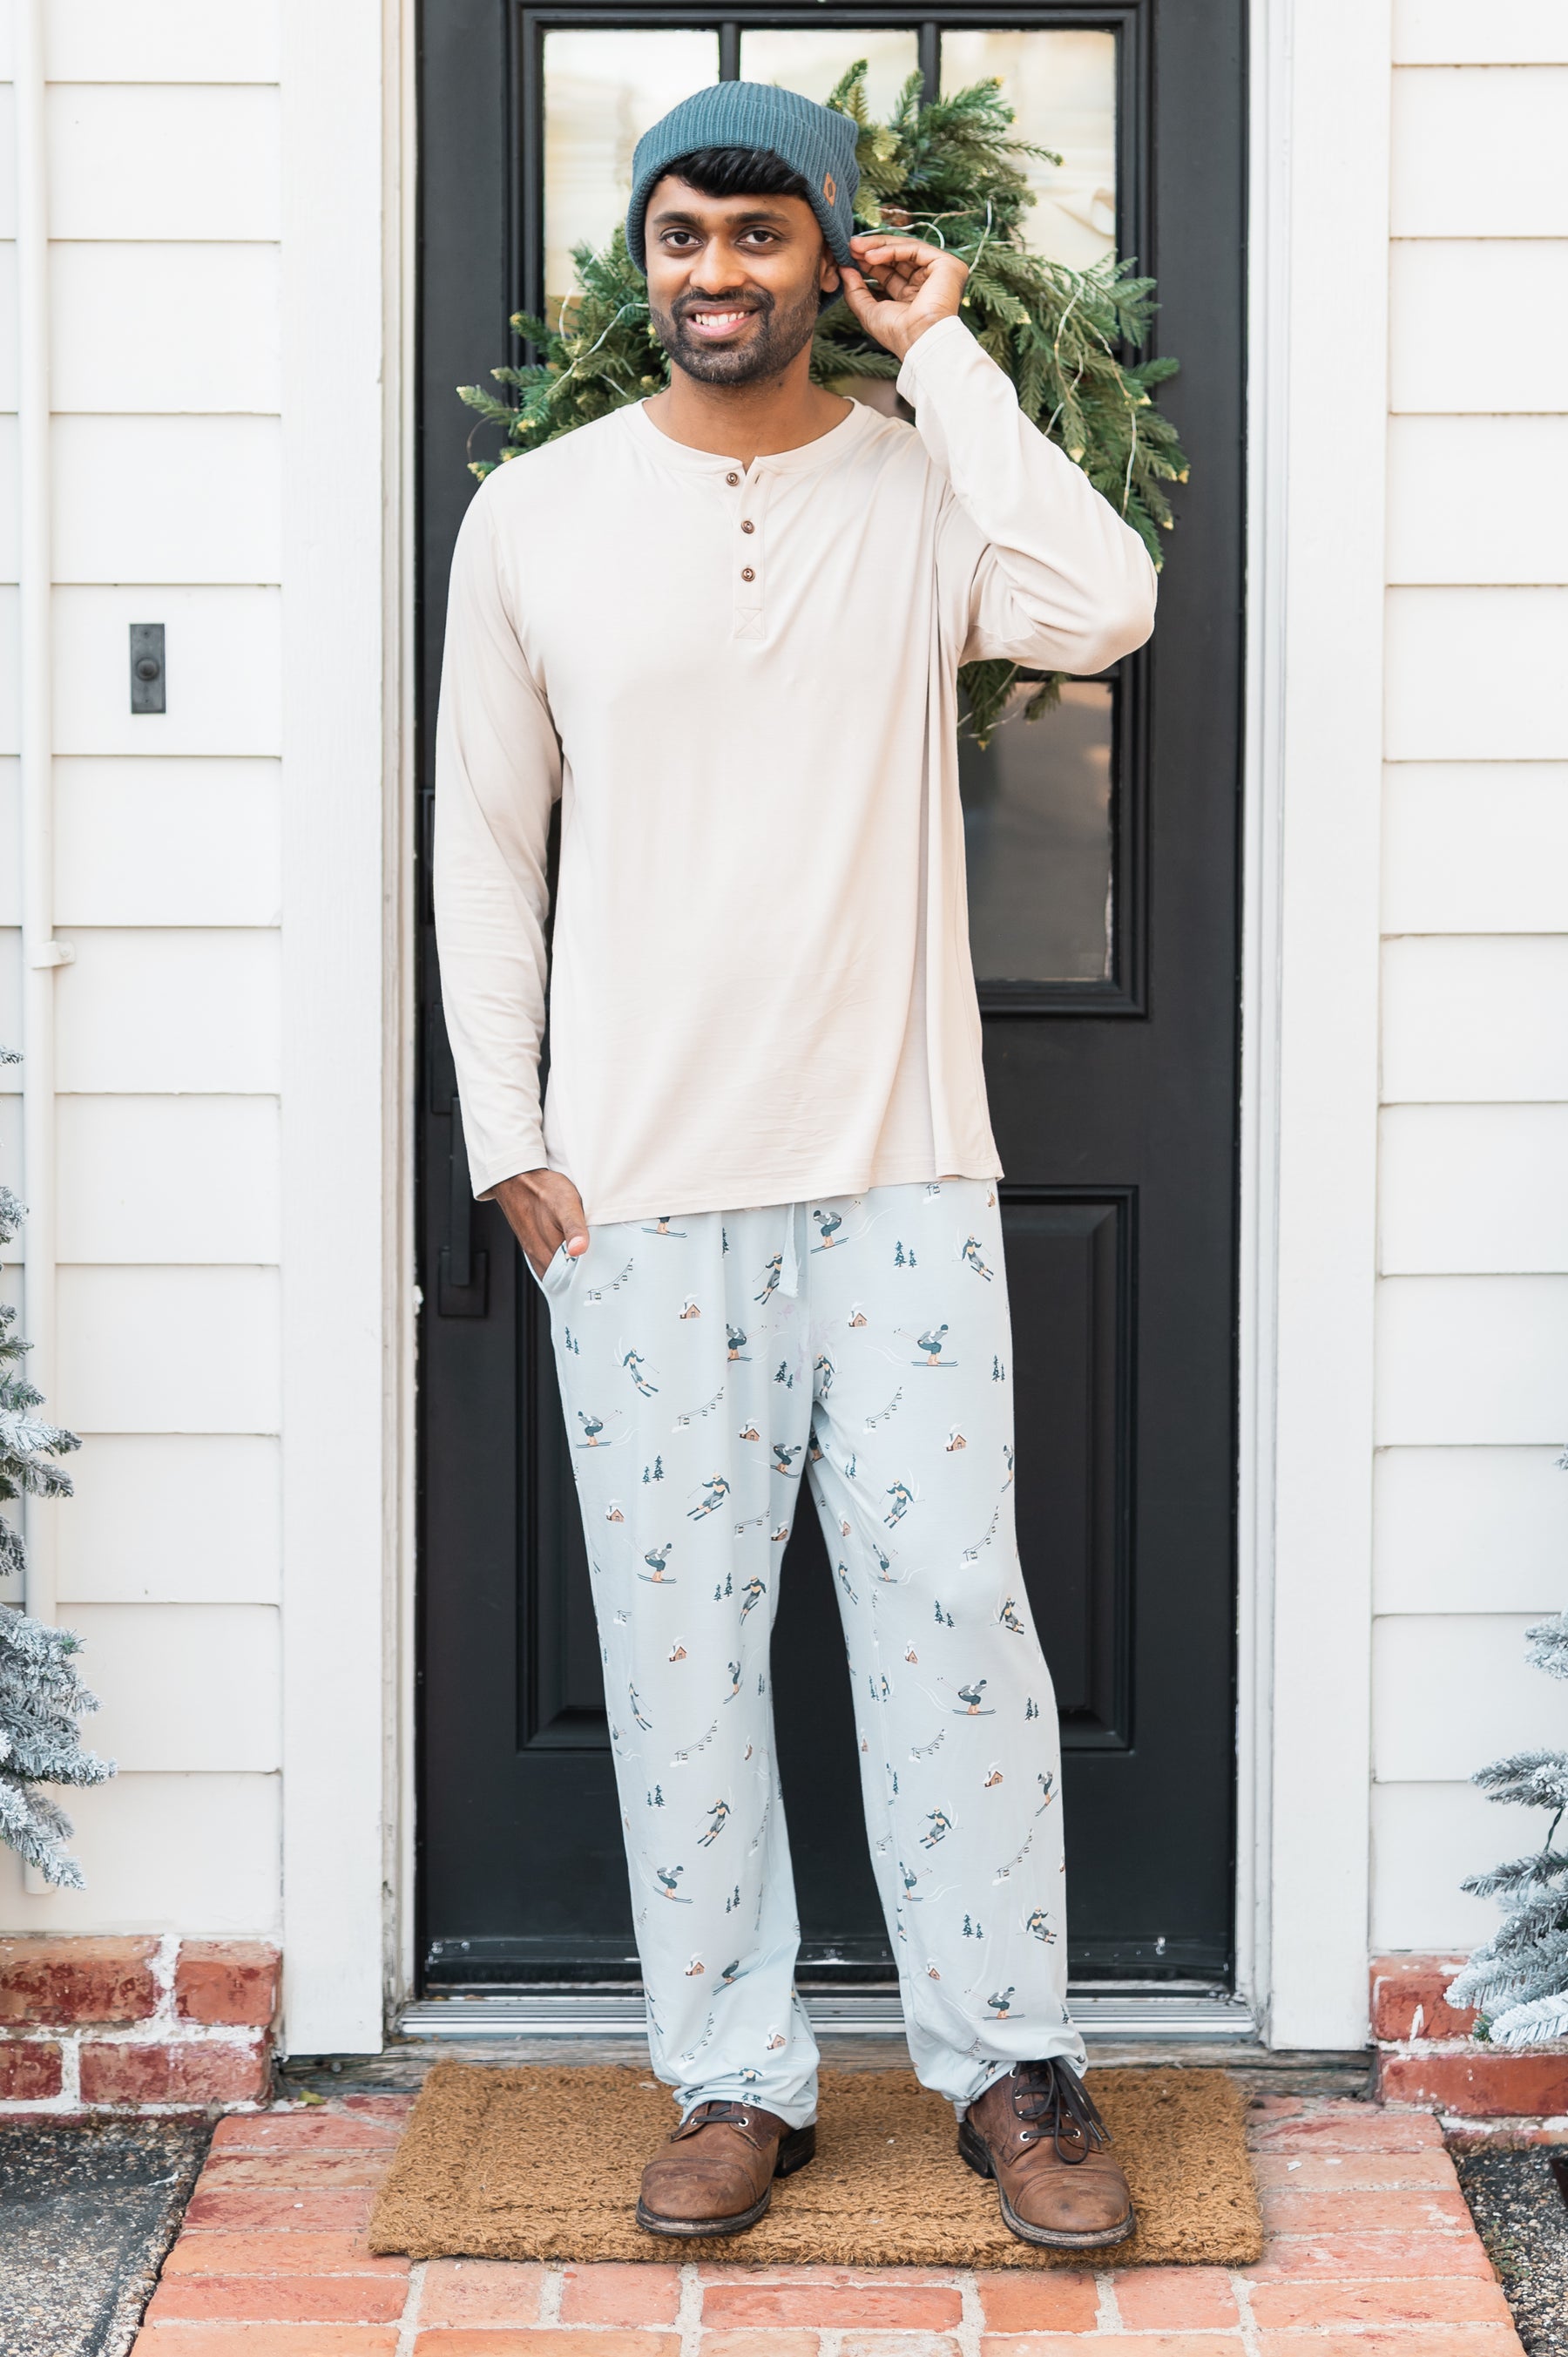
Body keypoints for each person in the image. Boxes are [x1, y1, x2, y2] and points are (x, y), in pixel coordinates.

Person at [435, 80, 1155, 2249]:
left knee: (956, 1618)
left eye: (762, 238)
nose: (715, 275)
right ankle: (733, 2075)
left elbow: (1101, 598)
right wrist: (511, 1138)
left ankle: (1011, 2064)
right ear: (635, 262)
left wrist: (944, 353)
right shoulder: (536, 517)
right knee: (676, 1643)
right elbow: (482, 836)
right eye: (681, 235)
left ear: (826, 256)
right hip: (637, 1189)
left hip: (904, 1163)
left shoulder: (921, 493)